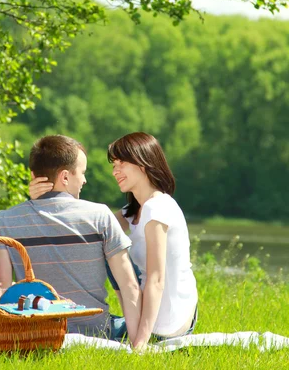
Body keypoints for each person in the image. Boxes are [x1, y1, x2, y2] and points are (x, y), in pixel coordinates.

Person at [31, 132, 198, 349]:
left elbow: (157, 280)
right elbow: (83, 228)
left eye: (121, 163)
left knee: (111, 251)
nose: (115, 171)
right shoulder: (134, 211)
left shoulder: (158, 208)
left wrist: (139, 344)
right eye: (114, 164)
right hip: (151, 318)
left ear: (143, 163)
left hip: (170, 322)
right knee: (104, 243)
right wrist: (41, 199)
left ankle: (129, 330)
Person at [0, 134, 141, 341]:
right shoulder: (100, 216)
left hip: (37, 332)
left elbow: (0, 285)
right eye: (82, 172)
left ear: (34, 175)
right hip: (95, 331)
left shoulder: (6, 220)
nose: (85, 180)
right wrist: (137, 344)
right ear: (65, 177)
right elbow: (129, 286)